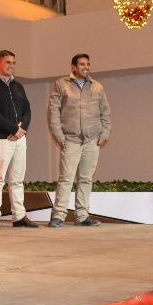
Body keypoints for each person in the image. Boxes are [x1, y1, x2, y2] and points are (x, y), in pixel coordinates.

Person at [47, 53, 111, 228]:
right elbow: (53, 112)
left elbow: (105, 112)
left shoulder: (97, 87)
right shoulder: (61, 84)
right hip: (70, 139)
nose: (86, 67)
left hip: (92, 141)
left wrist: (105, 134)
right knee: (66, 179)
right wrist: (59, 136)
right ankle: (58, 215)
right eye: (82, 64)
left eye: (88, 64)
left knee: (86, 179)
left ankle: (82, 216)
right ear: (73, 67)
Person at [0, 49, 36, 229]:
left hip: (20, 139)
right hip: (0, 139)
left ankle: (19, 216)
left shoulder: (18, 86)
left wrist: (21, 129)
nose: (11, 66)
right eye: (7, 62)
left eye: (13, 62)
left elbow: (27, 110)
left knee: (17, 179)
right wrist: (14, 129)